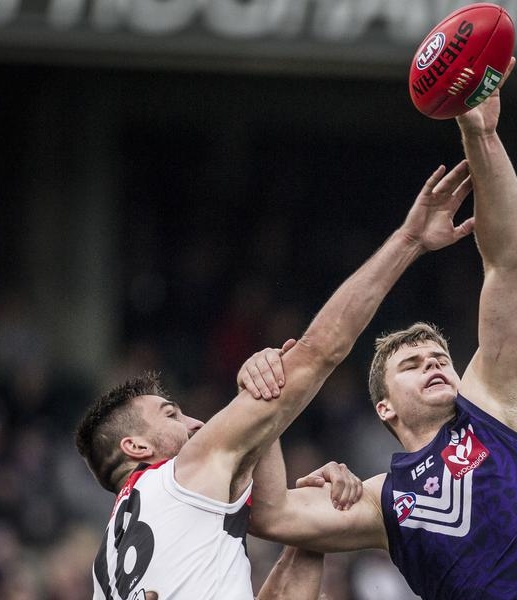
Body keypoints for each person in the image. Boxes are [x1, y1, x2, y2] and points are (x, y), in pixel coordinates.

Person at [240, 58, 517, 599]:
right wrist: (264, 393)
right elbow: (271, 515)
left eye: (440, 357)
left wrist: (482, 137)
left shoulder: (498, 407)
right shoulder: (381, 500)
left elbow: (509, 265)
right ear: (384, 408)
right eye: (412, 365)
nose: (434, 364)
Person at [73, 154, 476, 599]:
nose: (196, 423)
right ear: (136, 447)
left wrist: (313, 534)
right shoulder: (182, 474)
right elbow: (321, 351)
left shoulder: (106, 569)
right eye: (171, 415)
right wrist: (408, 241)